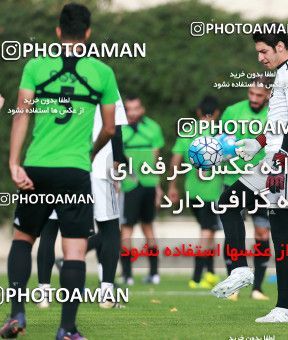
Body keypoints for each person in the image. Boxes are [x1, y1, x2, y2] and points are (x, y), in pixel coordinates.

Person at [1, 4, 118, 339]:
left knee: (24, 239)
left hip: (37, 166)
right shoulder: (102, 72)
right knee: (75, 250)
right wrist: (89, 152)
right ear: (88, 33)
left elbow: (21, 114)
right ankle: (66, 328)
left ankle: (17, 314)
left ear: (57, 32)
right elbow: (109, 128)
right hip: (74, 171)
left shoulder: (36, 65)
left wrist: (14, 163)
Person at [211, 26, 288, 323]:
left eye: (263, 51)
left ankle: (284, 309)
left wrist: (281, 160)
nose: (260, 57)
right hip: (276, 155)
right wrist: (257, 143)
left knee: (280, 232)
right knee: (228, 201)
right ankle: (242, 269)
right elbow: (280, 121)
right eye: (258, 51)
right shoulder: (283, 72)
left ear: (280, 46)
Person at [36, 94, 127, 309]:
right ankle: (106, 294)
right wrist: (118, 164)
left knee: (51, 227)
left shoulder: (53, 83)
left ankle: (43, 294)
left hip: (59, 164)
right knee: (110, 228)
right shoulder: (105, 81)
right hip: (97, 167)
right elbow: (115, 128)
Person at [221, 77, 272, 301]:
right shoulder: (232, 111)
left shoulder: (275, 115)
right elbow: (222, 141)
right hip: (234, 178)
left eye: (259, 95)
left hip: (262, 181)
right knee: (232, 228)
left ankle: (257, 287)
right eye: (251, 93)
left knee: (262, 233)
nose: (253, 98)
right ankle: (234, 283)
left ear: (269, 94)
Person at [167, 96, 223, 290]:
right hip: (212, 192)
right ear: (216, 113)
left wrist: (172, 186)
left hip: (192, 192)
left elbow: (175, 160)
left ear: (198, 112)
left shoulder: (187, 131)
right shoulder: (220, 133)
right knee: (206, 233)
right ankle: (196, 277)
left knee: (209, 232)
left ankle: (210, 274)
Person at [119, 95, 164, 285]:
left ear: (142, 109)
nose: (132, 113)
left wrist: (158, 187)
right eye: (128, 109)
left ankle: (154, 274)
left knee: (148, 228)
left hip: (148, 185)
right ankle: (127, 275)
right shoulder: (118, 130)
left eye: (135, 108)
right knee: (126, 230)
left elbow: (155, 160)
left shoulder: (153, 128)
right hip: (128, 185)